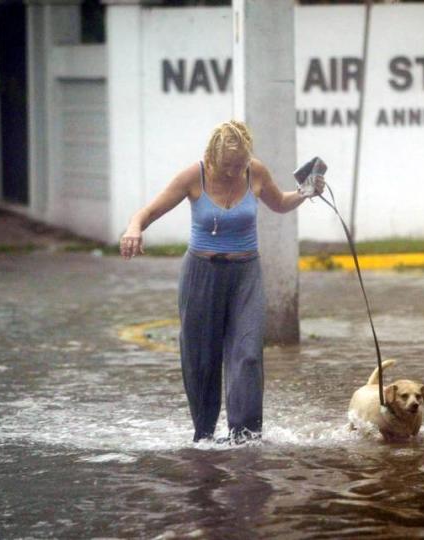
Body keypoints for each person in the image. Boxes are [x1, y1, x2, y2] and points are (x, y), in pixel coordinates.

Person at [119, 120, 325, 443]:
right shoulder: (194, 176)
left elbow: (280, 203)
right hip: (201, 274)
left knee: (248, 354)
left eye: (239, 164)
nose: (233, 172)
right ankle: (203, 436)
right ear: (212, 156)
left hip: (246, 275)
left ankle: (245, 436)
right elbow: (147, 212)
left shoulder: (255, 172)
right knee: (201, 359)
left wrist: (305, 192)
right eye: (227, 165)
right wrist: (134, 229)